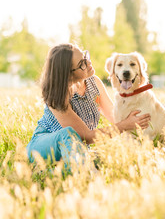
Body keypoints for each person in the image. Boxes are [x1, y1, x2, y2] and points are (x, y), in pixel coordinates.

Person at [26, 43, 151, 171]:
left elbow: (117, 118)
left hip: (78, 151)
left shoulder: (94, 82)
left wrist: (151, 112)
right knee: (68, 134)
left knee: (112, 154)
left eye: (85, 56)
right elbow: (87, 136)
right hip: (43, 147)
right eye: (82, 64)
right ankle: (90, 178)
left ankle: (60, 170)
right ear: (68, 74)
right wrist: (125, 125)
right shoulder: (56, 95)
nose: (88, 62)